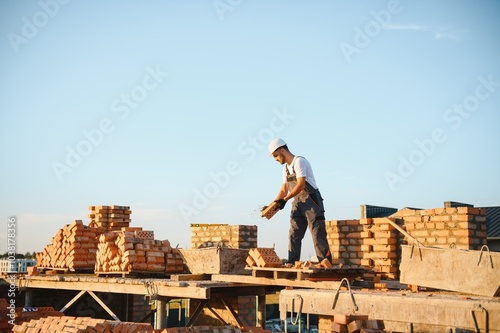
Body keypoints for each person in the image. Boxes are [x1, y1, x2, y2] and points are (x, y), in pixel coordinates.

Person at [267, 138, 332, 264]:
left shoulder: (299, 161)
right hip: (297, 203)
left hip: (312, 201)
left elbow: (301, 185)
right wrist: (273, 204)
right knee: (294, 234)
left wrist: (284, 200)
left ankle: (325, 263)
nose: (275, 159)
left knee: (317, 233)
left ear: (282, 150)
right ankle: (292, 264)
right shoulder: (285, 169)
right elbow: (283, 190)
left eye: (276, 156)